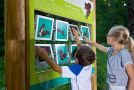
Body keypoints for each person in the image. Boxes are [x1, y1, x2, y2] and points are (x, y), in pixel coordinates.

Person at [86, 25, 134, 90]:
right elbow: (102, 48)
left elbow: (132, 77)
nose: (106, 36)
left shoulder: (124, 54)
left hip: (121, 87)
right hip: (112, 85)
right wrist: (92, 43)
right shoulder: (112, 50)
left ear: (114, 39)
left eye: (108, 35)